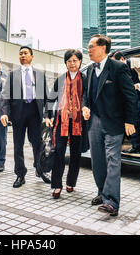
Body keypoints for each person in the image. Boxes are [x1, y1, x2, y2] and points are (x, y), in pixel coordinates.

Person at [84, 34, 138, 217]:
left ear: (103, 47)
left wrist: (130, 120)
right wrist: (85, 106)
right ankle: (102, 192)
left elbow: (131, 95)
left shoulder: (118, 68)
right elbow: (87, 94)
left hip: (114, 122)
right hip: (95, 122)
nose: (88, 49)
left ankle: (112, 202)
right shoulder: (91, 69)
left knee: (113, 160)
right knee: (97, 161)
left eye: (91, 46)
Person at [0, 46, 51, 188]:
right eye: (20, 53)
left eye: (25, 53)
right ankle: (20, 174)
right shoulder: (12, 75)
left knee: (38, 143)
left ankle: (41, 170)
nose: (23, 55)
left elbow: (47, 96)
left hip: (35, 111)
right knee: (18, 145)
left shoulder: (40, 74)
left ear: (32, 56)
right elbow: (5, 95)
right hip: (18, 112)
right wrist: (4, 113)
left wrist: (47, 114)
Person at [45, 49, 89, 199]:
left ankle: (71, 182)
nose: (72, 63)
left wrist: (84, 107)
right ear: (65, 63)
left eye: (75, 60)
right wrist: (47, 115)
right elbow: (51, 99)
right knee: (59, 153)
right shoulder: (60, 79)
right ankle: (57, 185)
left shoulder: (85, 79)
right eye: (69, 61)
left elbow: (86, 97)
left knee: (76, 154)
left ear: (80, 62)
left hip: (79, 122)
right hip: (61, 121)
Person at [112, 51, 140, 154]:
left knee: (134, 121)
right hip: (126, 101)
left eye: (115, 62)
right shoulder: (117, 70)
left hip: (138, 99)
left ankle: (136, 147)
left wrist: (134, 87)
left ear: (122, 59)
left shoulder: (134, 66)